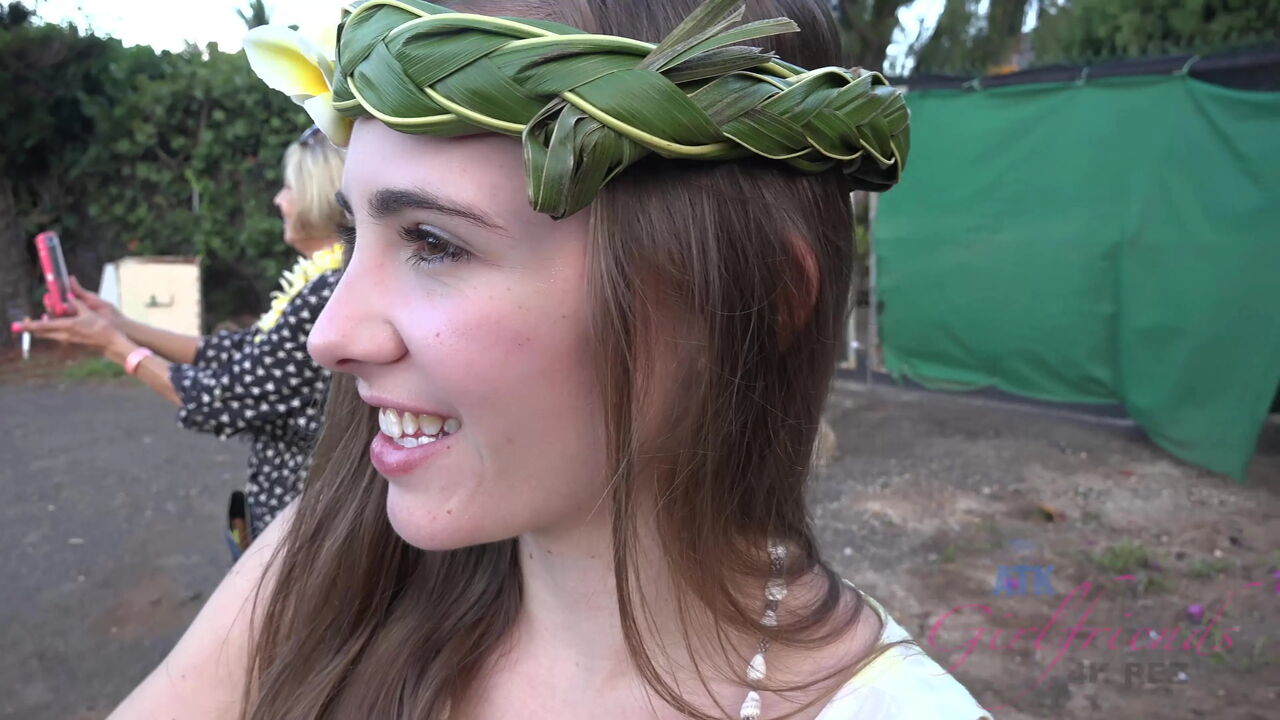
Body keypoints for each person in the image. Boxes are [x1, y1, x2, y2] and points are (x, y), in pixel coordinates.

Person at [109, 1, 992, 718]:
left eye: (433, 242)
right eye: (353, 234)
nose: (329, 335)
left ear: (755, 302)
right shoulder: (322, 563)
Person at [16, 126, 346, 550]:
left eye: (288, 188)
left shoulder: (326, 292)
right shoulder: (324, 282)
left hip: (301, 523)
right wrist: (119, 324)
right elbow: (232, 351)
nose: (278, 200)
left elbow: (221, 399)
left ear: (318, 195)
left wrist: (112, 345)